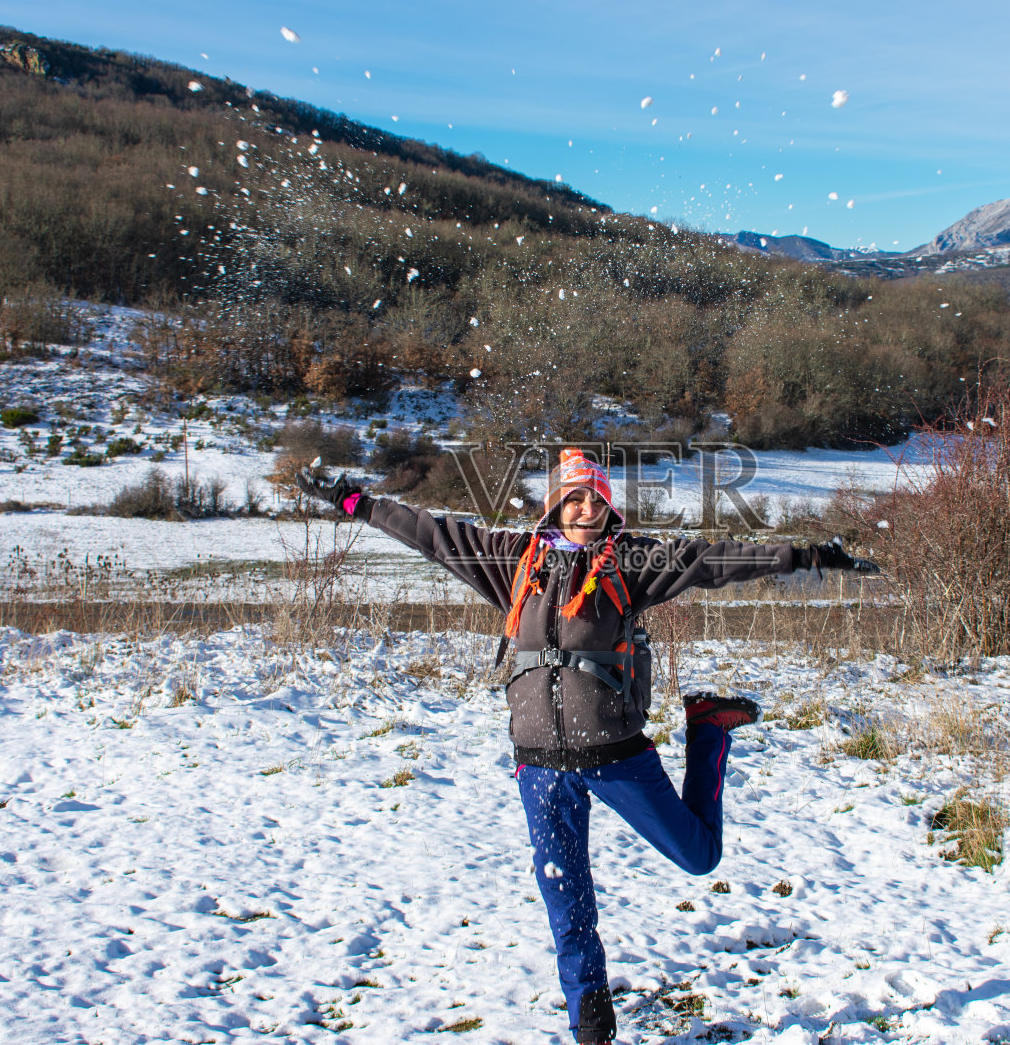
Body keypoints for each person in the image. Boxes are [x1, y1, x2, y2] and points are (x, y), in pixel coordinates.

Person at [298, 447, 875, 1044]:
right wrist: (355, 502)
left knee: (699, 856)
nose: (586, 507)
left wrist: (803, 555)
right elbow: (432, 534)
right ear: (554, 504)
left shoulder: (629, 561)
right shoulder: (512, 561)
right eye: (574, 497)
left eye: (596, 498)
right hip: (540, 766)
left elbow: (710, 560)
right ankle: (591, 1022)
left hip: (616, 755)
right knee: (565, 897)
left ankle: (708, 727)